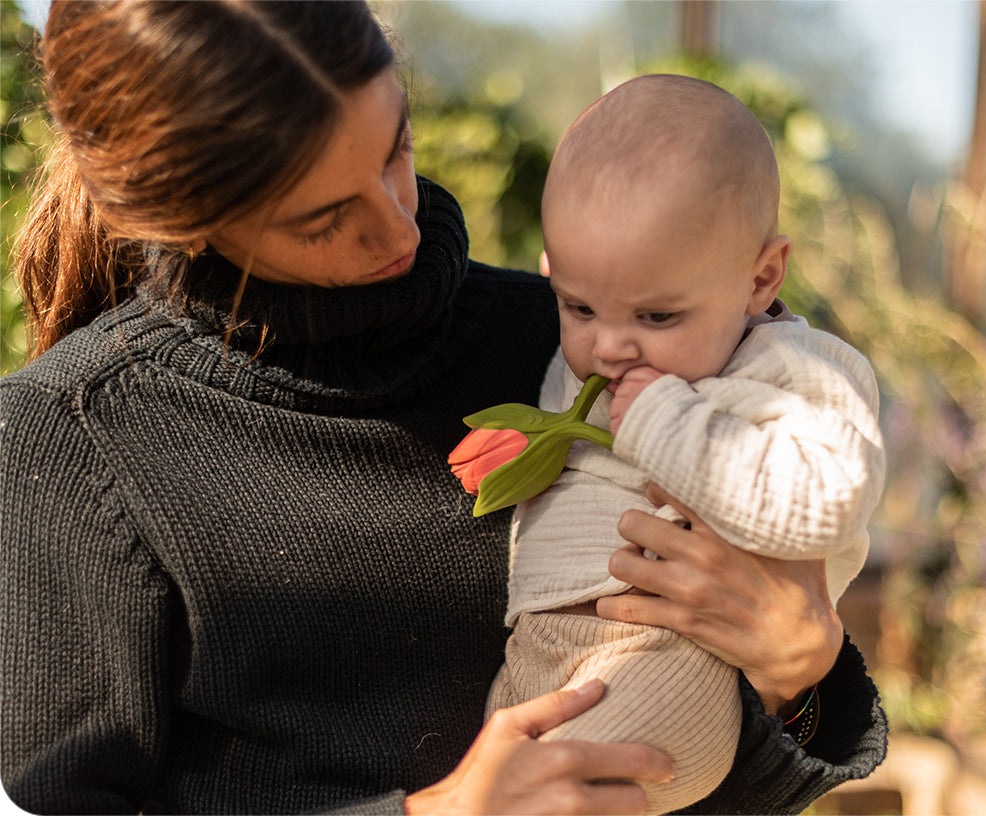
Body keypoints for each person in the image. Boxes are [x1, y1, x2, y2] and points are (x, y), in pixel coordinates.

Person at [0, 3, 886, 814]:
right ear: (186, 215)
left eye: (396, 148)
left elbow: (686, 757)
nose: (399, 225)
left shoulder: (582, 341)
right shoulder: (73, 438)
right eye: (322, 218)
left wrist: (801, 680)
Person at [465, 75, 885, 814]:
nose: (610, 345)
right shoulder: (584, 342)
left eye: (658, 316)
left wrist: (668, 423)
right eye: (578, 306)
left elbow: (834, 496)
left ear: (761, 278)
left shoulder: (791, 369)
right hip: (539, 650)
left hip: (668, 658)